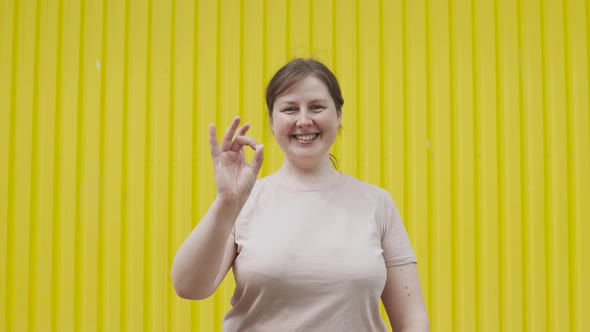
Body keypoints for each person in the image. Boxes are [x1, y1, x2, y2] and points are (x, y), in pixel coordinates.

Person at [171, 58, 430, 331]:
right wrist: (226, 202)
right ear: (272, 121)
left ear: (338, 115)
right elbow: (189, 287)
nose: (304, 121)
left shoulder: (377, 203)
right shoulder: (243, 202)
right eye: (290, 109)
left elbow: (411, 318)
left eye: (316, 107)